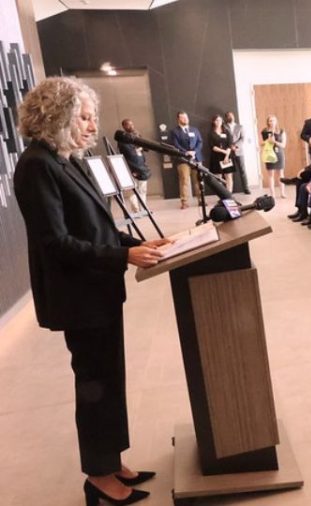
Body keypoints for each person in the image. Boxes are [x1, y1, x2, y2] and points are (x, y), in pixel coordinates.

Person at [15, 77, 168, 505]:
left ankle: (112, 459)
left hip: (98, 292)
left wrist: (133, 244)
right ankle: (98, 477)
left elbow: (96, 225)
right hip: (78, 298)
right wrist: (124, 258)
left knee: (110, 378)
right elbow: (57, 243)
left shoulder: (68, 160)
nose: (91, 124)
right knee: (94, 384)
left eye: (92, 116)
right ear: (56, 116)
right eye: (83, 116)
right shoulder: (36, 165)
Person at [116, 118, 150, 214]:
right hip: (131, 167)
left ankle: (143, 209)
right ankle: (136, 209)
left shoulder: (137, 135)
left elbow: (146, 148)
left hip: (142, 166)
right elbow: (129, 153)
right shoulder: (122, 140)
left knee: (143, 189)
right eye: (128, 125)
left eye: (132, 124)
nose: (131, 126)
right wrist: (137, 148)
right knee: (133, 190)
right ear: (124, 126)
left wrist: (141, 145)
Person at [170, 111, 202, 209]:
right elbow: (175, 145)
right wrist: (186, 152)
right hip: (182, 159)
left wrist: (194, 152)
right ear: (178, 119)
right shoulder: (174, 131)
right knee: (184, 180)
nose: (185, 119)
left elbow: (200, 142)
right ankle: (184, 201)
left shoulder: (194, 130)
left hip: (196, 158)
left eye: (186, 117)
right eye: (183, 118)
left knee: (198, 179)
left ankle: (200, 200)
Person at [224, 112, 251, 194]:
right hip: (227, 152)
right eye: (228, 116)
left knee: (242, 170)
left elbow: (243, 139)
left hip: (239, 151)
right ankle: (229, 191)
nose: (230, 117)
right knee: (228, 172)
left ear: (234, 116)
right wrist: (230, 147)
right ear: (226, 117)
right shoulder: (224, 127)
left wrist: (235, 146)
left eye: (231, 115)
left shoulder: (240, 127)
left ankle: (246, 188)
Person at [260, 115, 287, 198]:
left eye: (273, 120)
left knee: (280, 174)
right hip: (269, 153)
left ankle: (282, 192)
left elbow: (283, 145)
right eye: (270, 121)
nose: (272, 122)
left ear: (276, 121)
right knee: (271, 174)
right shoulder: (264, 131)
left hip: (279, 153)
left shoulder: (281, 131)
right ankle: (272, 194)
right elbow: (261, 144)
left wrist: (275, 142)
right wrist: (268, 140)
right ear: (268, 122)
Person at [207, 114, 234, 192]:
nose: (218, 122)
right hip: (216, 157)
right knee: (218, 177)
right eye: (216, 120)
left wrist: (226, 155)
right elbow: (212, 146)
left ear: (222, 121)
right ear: (213, 122)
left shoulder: (227, 132)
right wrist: (223, 151)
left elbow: (230, 144)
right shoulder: (210, 133)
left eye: (220, 120)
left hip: (226, 156)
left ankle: (229, 195)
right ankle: (222, 195)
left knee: (228, 176)